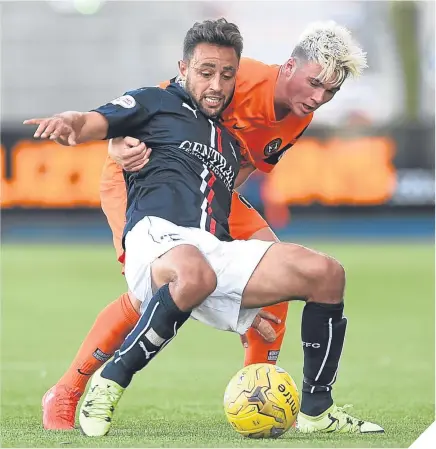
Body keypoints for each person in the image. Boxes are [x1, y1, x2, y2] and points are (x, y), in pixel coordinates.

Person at [25, 18, 383, 437]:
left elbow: (241, 171)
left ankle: (258, 394)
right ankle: (68, 389)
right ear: (289, 67)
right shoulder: (237, 72)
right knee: (152, 291)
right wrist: (115, 142)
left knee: (284, 275)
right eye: (314, 84)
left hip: (213, 188)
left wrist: (225, 243)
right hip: (143, 176)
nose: (319, 97)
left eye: (330, 92)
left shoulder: (298, 117)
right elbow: (160, 104)